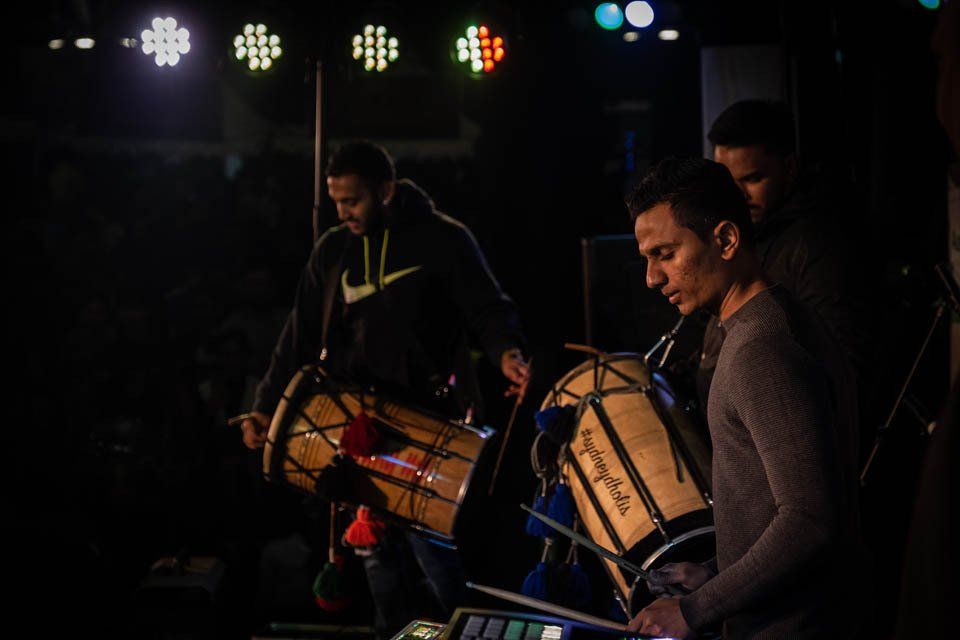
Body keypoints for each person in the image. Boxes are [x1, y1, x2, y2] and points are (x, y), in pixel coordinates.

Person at [240, 141, 529, 636]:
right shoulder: (333, 250)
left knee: (438, 567)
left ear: (386, 190)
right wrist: (264, 405)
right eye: (336, 201)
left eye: (352, 200)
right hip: (357, 430)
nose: (343, 212)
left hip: (428, 426)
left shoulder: (443, 238)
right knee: (379, 569)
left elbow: (487, 307)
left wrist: (507, 353)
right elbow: (299, 334)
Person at [626, 157, 862, 638]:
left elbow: (811, 521)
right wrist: (715, 572)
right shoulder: (771, 321)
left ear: (727, 240)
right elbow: (777, 507)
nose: (652, 277)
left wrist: (693, 611)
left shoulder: (762, 352)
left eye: (665, 254)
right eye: (647, 258)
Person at [697, 100, 872, 422]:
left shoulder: (818, 245)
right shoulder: (751, 233)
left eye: (752, 179)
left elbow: (843, 369)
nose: (737, 195)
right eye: (728, 183)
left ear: (789, 168)